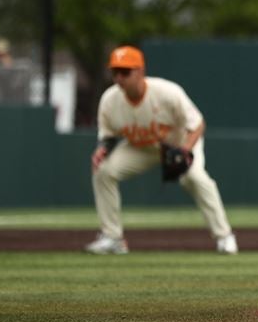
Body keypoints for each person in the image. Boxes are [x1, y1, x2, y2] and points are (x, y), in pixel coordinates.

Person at [85, 45, 238, 255]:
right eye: (115, 72)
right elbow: (108, 136)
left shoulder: (167, 92)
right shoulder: (110, 100)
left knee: (194, 178)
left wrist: (185, 150)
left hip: (180, 142)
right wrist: (102, 150)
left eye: (125, 72)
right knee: (103, 171)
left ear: (140, 71)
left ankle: (224, 236)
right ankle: (113, 238)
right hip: (141, 148)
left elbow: (198, 124)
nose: (119, 78)